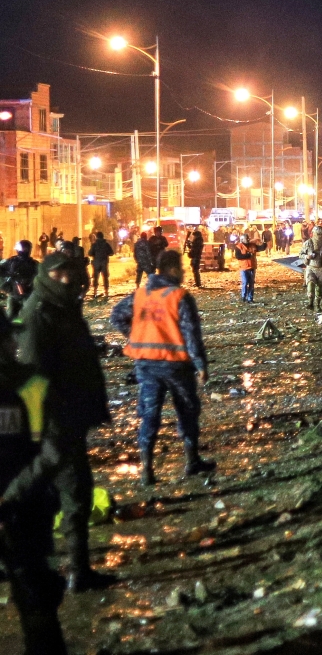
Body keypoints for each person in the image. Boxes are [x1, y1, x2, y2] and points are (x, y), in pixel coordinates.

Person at [8, 252, 113, 592]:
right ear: (46, 276)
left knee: (69, 492)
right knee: (66, 490)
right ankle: (76, 571)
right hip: (56, 422)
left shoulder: (64, 308)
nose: (67, 278)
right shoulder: (39, 313)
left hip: (70, 418)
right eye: (59, 273)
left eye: (70, 271)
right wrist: (48, 424)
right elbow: (33, 376)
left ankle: (76, 570)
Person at [110, 250, 214, 485]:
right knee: (187, 411)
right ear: (173, 269)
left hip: (145, 365)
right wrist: (201, 365)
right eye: (181, 267)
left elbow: (116, 316)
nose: (184, 272)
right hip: (176, 366)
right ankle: (192, 461)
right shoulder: (179, 296)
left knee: (149, 415)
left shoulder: (140, 295)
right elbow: (191, 333)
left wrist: (136, 336)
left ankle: (146, 470)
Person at [0, 312, 68, 654]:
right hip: (22, 506)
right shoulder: (34, 385)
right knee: (34, 595)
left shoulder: (33, 386)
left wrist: (9, 497)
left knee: (34, 594)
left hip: (24, 509)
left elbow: (52, 450)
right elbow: (53, 452)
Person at [298, 225, 322, 311]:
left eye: (321, 234)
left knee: (320, 288)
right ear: (314, 234)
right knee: (310, 284)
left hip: (320, 268)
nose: (320, 236)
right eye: (318, 234)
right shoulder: (308, 243)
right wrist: (307, 256)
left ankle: (317, 305)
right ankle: (310, 303)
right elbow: (301, 254)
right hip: (311, 267)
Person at [1, 241, 38, 320]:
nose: (25, 250)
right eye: (23, 248)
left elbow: (40, 276)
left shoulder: (33, 263)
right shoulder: (12, 261)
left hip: (28, 294)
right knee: (10, 315)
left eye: (26, 248)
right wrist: (8, 279)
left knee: (29, 317)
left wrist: (30, 283)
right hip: (14, 294)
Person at [234, 234, 265, 302]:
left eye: (248, 238)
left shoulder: (252, 245)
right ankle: (244, 296)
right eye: (246, 239)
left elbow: (261, 248)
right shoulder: (239, 246)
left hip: (252, 267)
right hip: (244, 267)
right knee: (245, 282)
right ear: (242, 240)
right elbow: (238, 256)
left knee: (251, 283)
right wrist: (248, 255)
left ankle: (250, 298)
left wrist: (264, 243)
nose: (248, 240)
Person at [87, 231, 114, 299]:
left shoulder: (94, 244)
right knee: (105, 278)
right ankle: (106, 292)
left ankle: (95, 292)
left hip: (96, 263)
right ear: (102, 237)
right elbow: (111, 253)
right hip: (104, 263)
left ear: (97, 237)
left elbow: (90, 253)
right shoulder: (106, 244)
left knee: (96, 278)